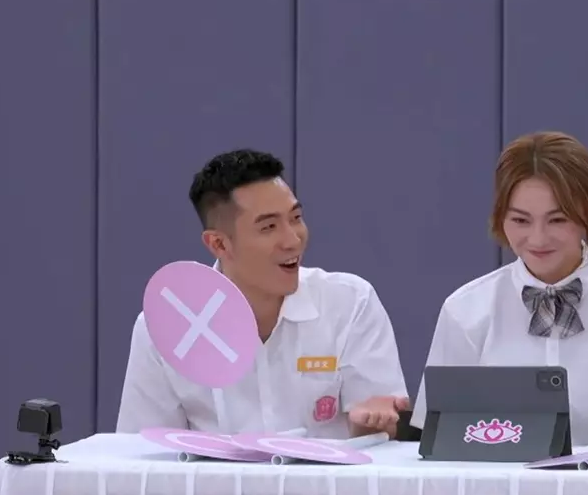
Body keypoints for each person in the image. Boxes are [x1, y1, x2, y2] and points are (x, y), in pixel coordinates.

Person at [409, 132, 588, 446]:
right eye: (521, 220)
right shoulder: (464, 311)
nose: (538, 239)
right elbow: (442, 440)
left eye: (557, 220)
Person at [116, 149, 410, 439]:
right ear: (219, 244)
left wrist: (373, 426)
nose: (293, 240)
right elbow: (140, 450)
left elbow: (386, 436)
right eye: (269, 227)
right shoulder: (165, 326)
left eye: (296, 217)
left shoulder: (351, 303)